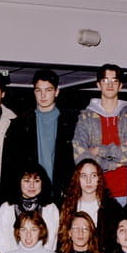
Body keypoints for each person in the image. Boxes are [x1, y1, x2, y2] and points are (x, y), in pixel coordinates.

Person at [72, 63, 127, 204]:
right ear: (98, 85)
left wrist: (98, 150)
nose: (110, 85)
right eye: (105, 80)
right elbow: (80, 158)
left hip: (126, 195)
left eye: (114, 81)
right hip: (95, 195)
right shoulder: (85, 118)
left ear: (120, 85)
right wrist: (114, 164)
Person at [15, 68, 75, 204]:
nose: (43, 95)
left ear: (56, 91)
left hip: (61, 193)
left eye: (48, 90)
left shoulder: (70, 123)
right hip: (30, 193)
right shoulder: (21, 124)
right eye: (38, 90)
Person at [58, 159, 122, 253]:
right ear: (77, 179)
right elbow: (62, 238)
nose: (88, 181)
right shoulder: (68, 206)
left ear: (99, 178)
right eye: (84, 176)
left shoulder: (112, 207)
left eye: (93, 175)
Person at [0, 162, 59, 253]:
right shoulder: (7, 208)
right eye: (27, 181)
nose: (32, 186)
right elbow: (0, 243)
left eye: (37, 181)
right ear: (19, 182)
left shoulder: (50, 208)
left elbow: (51, 243)